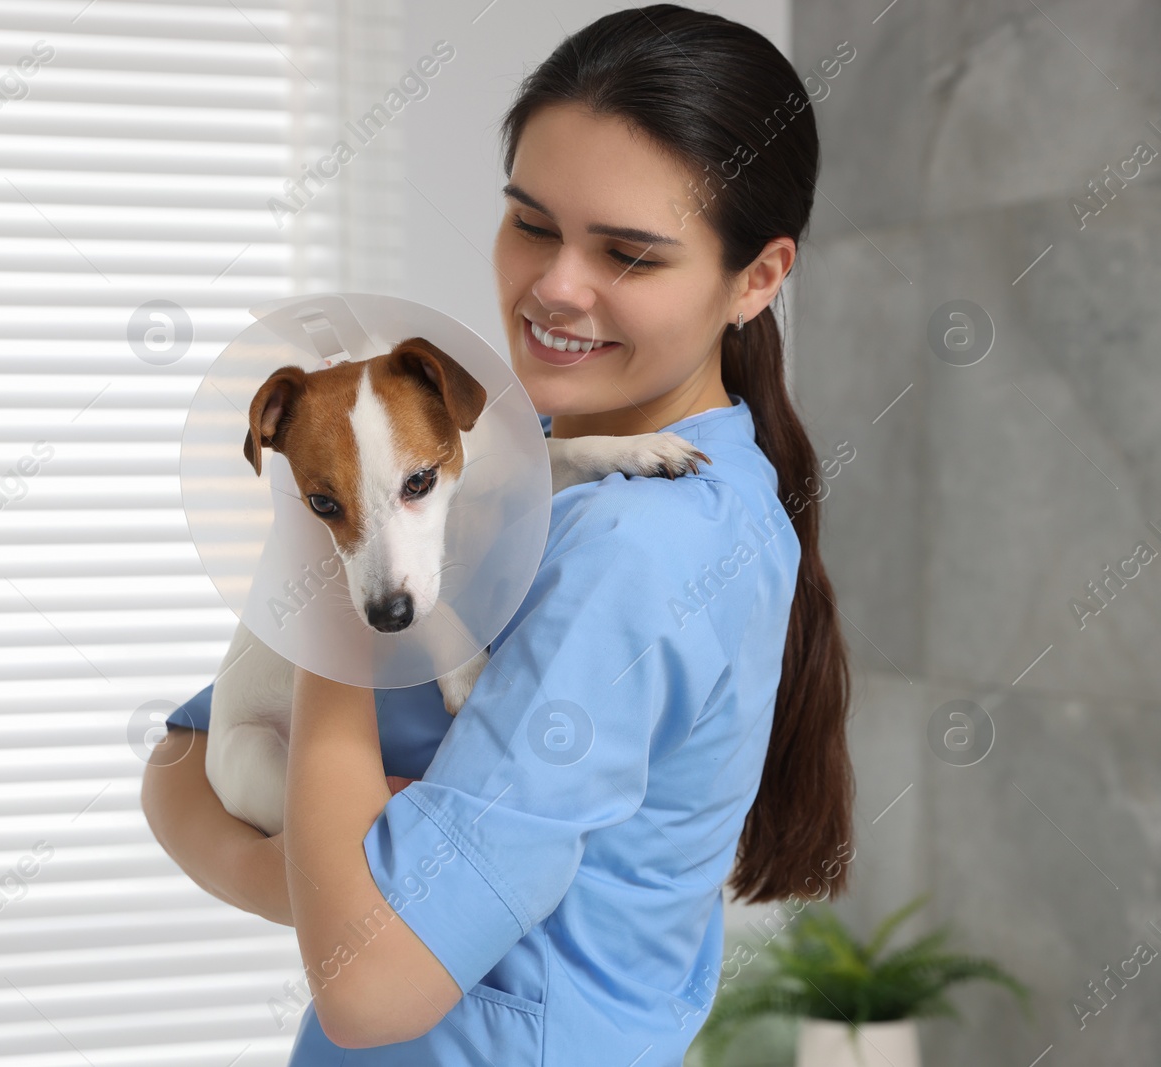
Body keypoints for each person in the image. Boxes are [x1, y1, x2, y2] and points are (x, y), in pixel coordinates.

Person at [141, 6, 855, 1063]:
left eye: (628, 253)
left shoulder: (630, 548)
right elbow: (182, 761)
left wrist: (332, 571)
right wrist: (302, 879)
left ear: (757, 278)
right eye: (531, 222)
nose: (556, 287)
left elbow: (369, 986)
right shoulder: (527, 472)